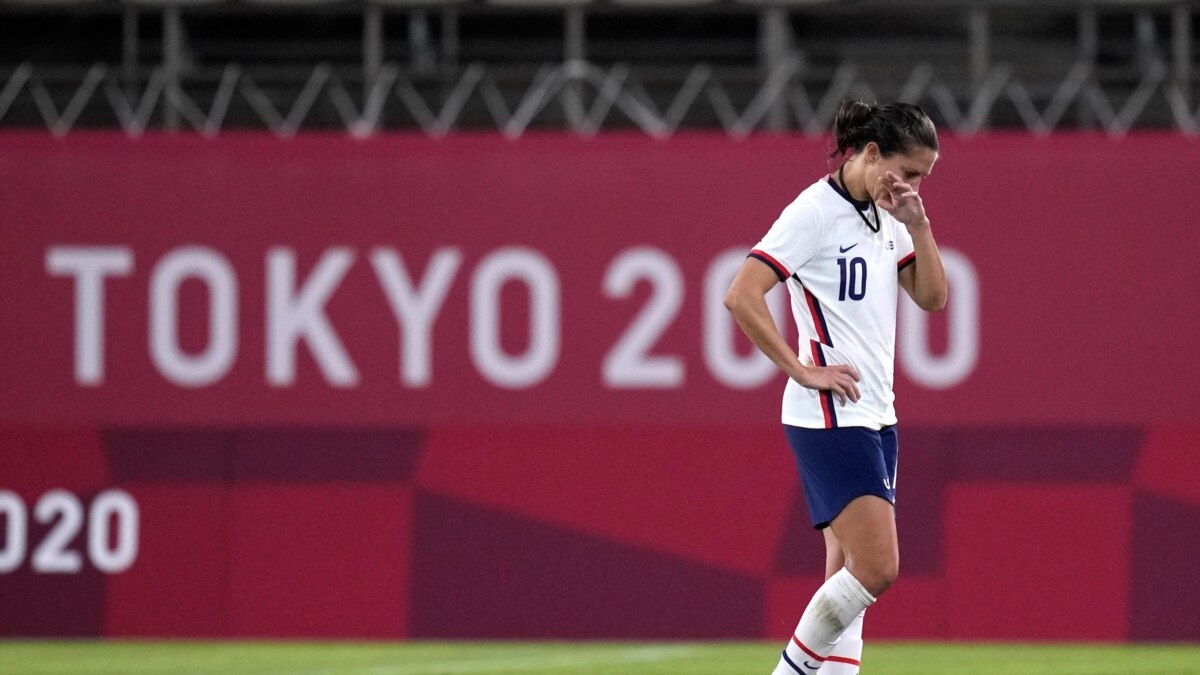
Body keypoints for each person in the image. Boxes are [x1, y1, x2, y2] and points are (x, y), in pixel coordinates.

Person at [724, 99, 947, 675]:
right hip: (828, 412)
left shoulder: (886, 215)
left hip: (875, 413)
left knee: (849, 579)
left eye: (925, 176)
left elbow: (931, 296)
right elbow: (742, 293)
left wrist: (917, 223)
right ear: (872, 154)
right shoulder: (814, 212)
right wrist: (801, 369)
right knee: (878, 569)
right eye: (911, 171)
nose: (915, 185)